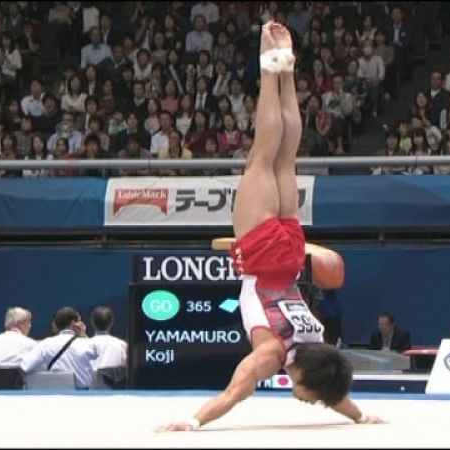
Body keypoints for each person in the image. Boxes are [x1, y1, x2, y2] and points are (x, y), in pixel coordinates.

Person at [157, 22, 384, 432]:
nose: (312, 404)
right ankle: (268, 67)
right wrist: (191, 422)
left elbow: (335, 393)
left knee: (286, 158)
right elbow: (233, 393)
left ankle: (286, 69)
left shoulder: (320, 349)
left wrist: (363, 415)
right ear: (304, 377)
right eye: (313, 398)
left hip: (293, 256)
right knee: (263, 155)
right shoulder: (272, 356)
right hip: (262, 257)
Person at [20, 307, 99, 389]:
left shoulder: (45, 344)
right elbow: (98, 368)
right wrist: (84, 336)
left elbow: (25, 367)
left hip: (54, 395)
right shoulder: (87, 344)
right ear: (74, 323)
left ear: (56, 323)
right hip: (84, 397)